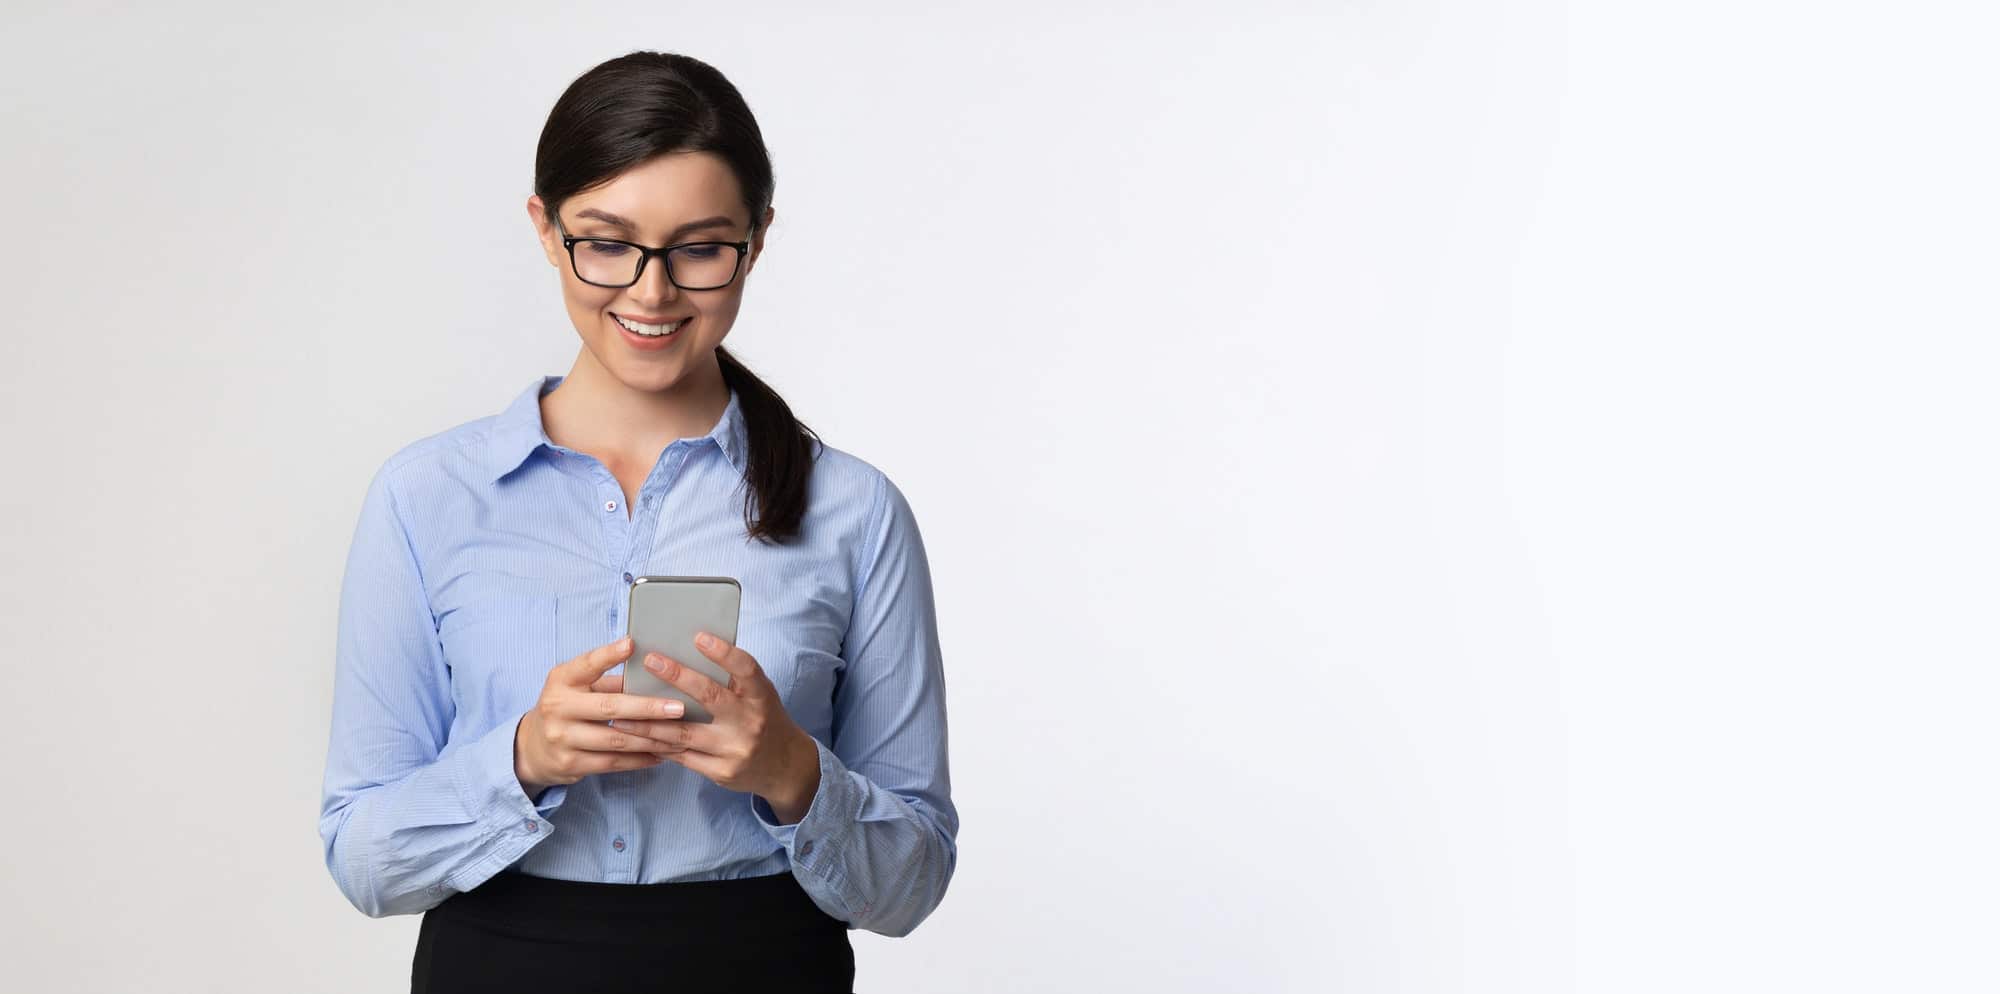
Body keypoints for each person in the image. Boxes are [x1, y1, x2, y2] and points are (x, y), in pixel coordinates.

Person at [316, 51, 957, 994]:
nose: (651, 294)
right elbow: (364, 862)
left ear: (758, 237)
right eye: (608, 243)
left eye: (700, 248)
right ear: (545, 229)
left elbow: (912, 886)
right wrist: (523, 759)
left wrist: (790, 771)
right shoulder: (427, 498)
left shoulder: (855, 512)